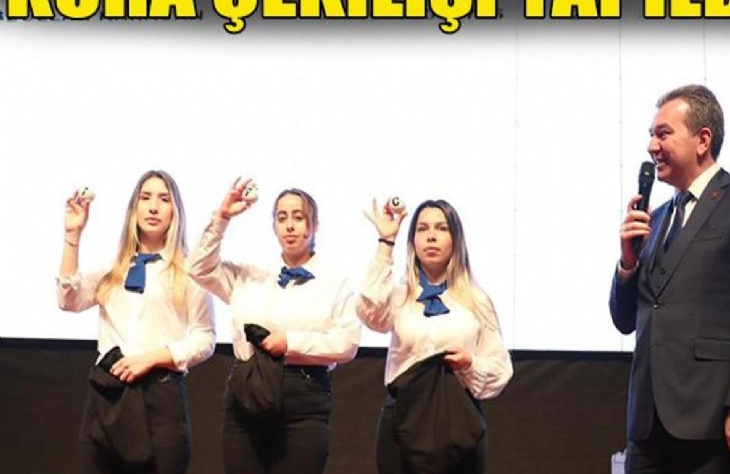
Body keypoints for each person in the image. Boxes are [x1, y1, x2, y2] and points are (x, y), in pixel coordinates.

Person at [610, 84, 730, 473]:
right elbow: (624, 320)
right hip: (647, 428)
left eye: (663, 134)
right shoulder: (656, 219)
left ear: (703, 140)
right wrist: (627, 265)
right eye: (650, 136)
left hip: (710, 424)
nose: (651, 147)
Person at [186, 179, 360, 474]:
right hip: (248, 388)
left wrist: (290, 343)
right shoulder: (250, 274)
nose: (289, 226)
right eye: (282, 218)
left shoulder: (334, 282)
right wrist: (222, 218)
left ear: (315, 225)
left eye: (298, 217)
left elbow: (347, 343)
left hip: (303, 394)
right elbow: (198, 268)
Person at [57, 170, 216, 474]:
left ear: (175, 211)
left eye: (164, 199)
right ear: (134, 208)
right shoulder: (112, 269)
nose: (153, 207)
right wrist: (72, 236)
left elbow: (205, 338)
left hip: (161, 396)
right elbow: (69, 301)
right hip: (108, 394)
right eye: (145, 198)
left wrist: (152, 358)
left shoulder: (188, 271)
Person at [358, 198, 513, 474]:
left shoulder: (476, 300)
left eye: (441, 228)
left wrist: (470, 364)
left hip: (458, 419)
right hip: (403, 418)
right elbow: (369, 312)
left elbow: (500, 370)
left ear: (456, 239)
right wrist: (386, 243)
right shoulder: (399, 296)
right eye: (422, 229)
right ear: (413, 241)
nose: (431, 236)